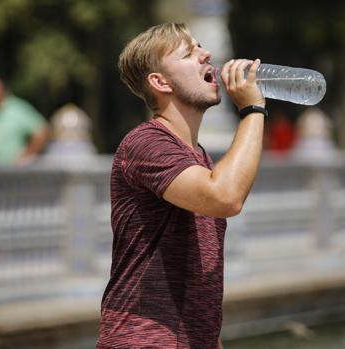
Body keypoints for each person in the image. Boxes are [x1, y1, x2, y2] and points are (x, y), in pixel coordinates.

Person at [96, 23, 267, 349]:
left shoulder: (200, 160)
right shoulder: (145, 142)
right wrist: (253, 110)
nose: (207, 55)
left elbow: (202, 277)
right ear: (160, 82)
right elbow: (226, 197)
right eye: (189, 53)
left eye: (201, 47)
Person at [0, 77, 48, 165]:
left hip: (13, 171)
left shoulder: (17, 108)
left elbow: (42, 130)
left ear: (3, 92)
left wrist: (28, 155)